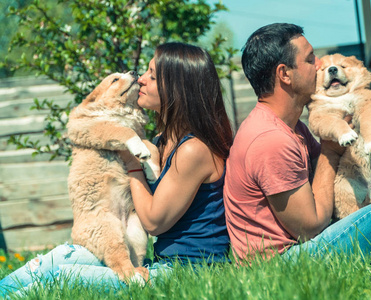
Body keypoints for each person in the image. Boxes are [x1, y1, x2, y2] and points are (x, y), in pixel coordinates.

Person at [0, 42, 233, 297]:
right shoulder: (162, 141)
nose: (141, 79)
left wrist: (132, 164)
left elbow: (155, 222)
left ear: (177, 89)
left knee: (57, 276)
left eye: (152, 76)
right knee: (51, 262)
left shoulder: (194, 150)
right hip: (162, 264)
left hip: (188, 271)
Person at [223, 23, 371, 262]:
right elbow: (309, 228)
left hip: (297, 250)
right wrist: (330, 149)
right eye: (310, 60)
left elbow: (333, 172)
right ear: (285, 74)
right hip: (283, 264)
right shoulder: (269, 140)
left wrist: (364, 125)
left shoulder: (291, 126)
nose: (320, 64)